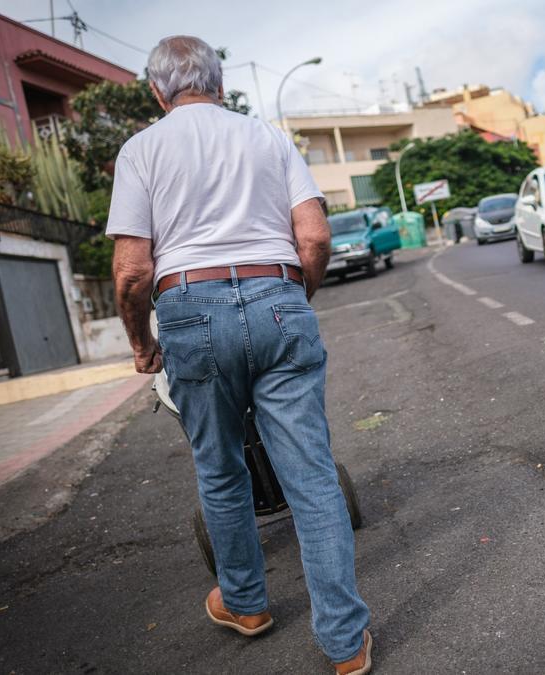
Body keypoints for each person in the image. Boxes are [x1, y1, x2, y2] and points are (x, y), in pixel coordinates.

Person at [107, 35, 372, 675]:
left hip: (191, 313)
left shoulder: (140, 150)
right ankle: (344, 644)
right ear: (220, 84)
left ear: (156, 90)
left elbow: (132, 272)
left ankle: (248, 604)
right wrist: (291, 298)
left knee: (221, 471)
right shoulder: (269, 138)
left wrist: (142, 344)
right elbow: (313, 237)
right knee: (309, 475)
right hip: (277, 294)